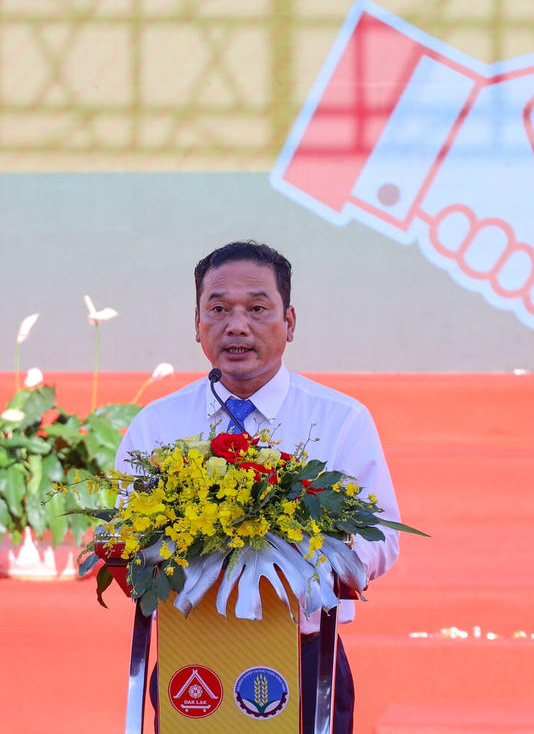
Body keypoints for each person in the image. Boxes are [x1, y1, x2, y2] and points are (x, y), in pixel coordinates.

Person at [115, 240, 401, 733]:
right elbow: (122, 536)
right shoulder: (157, 424)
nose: (237, 326)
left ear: (289, 322)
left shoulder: (340, 420)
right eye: (218, 309)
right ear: (197, 323)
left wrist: (304, 554)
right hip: (191, 658)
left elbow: (382, 538)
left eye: (257, 308)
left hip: (306, 653)